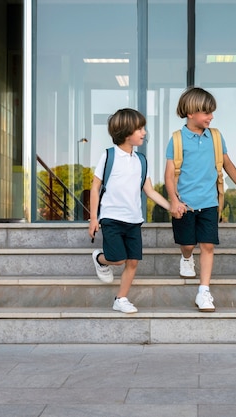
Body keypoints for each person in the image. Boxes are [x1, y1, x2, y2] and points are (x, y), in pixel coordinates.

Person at [164, 87, 236, 312]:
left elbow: (227, 164)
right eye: (205, 112)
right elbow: (169, 175)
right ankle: (186, 257)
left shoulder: (216, 137)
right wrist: (173, 200)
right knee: (188, 244)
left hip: (210, 202)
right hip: (185, 204)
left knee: (208, 245)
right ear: (190, 113)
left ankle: (204, 291)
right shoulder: (177, 139)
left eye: (211, 112)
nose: (210, 116)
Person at [89, 108, 171, 314]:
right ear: (126, 133)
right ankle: (100, 258)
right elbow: (95, 187)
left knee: (133, 261)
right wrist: (93, 218)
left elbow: (149, 190)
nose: (144, 132)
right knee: (117, 259)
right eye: (139, 129)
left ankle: (121, 298)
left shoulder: (141, 160)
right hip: (111, 218)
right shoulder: (108, 156)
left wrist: (172, 206)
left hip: (134, 219)